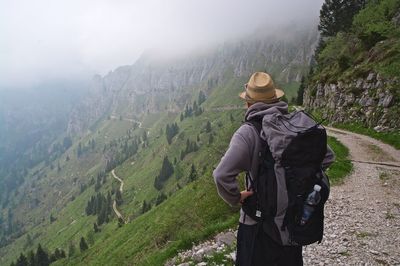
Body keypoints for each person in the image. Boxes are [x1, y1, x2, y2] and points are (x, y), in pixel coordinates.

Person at [213, 72, 335, 266]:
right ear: (276, 99)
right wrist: (300, 180)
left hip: (257, 227)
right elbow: (328, 157)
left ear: (248, 104)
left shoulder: (248, 132)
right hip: (292, 222)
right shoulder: (296, 127)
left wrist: (236, 197)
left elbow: (221, 175)